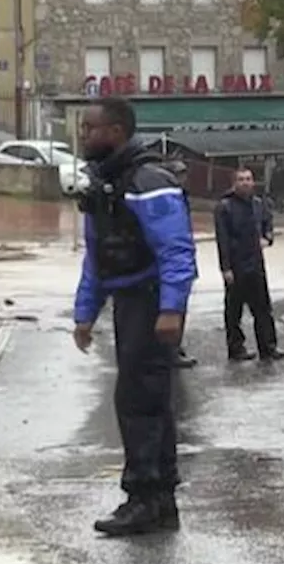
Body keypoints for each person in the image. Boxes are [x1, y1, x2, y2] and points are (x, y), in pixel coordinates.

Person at [72, 97, 195, 536]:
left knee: (138, 401)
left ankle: (145, 497)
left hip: (149, 298)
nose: (83, 135)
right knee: (147, 400)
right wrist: (85, 313)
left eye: (91, 128)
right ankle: (159, 498)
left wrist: (170, 308)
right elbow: (98, 256)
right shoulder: (106, 184)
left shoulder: (146, 180)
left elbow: (176, 250)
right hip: (129, 300)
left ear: (117, 132)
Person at [214, 167, 284, 362]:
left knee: (263, 309)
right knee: (234, 310)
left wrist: (267, 238)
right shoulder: (225, 207)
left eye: (248, 179)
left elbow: (267, 224)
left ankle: (268, 347)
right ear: (234, 183)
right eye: (241, 179)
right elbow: (222, 239)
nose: (246, 183)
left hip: (255, 264)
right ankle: (236, 348)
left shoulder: (258, 204)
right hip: (236, 266)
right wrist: (226, 268)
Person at [162, 155, 198, 370]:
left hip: (183, 259)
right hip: (170, 262)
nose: (182, 178)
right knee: (172, 307)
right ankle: (170, 351)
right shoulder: (166, 198)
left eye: (183, 174)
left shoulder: (182, 197)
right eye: (178, 174)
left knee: (181, 307)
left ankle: (175, 346)